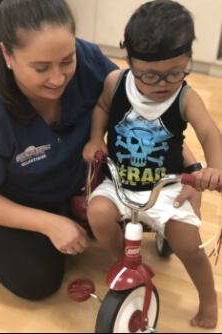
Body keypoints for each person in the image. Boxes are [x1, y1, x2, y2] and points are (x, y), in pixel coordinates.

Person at [0, 0, 200, 303]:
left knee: (137, 198)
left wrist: (191, 171)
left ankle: (73, 210)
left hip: (77, 178)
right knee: (37, 280)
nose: (58, 78)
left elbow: (147, 117)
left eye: (67, 61)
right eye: (41, 68)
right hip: (5, 199)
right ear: (7, 55)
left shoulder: (89, 61)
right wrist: (49, 223)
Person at [83, 0, 222, 329]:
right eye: (149, 75)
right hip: (120, 182)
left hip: (167, 187)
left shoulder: (185, 97)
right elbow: (102, 108)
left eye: (176, 72)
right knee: (98, 215)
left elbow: (209, 132)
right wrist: (95, 138)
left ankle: (210, 297)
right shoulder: (115, 83)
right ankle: (127, 259)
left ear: (188, 58)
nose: (163, 84)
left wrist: (213, 166)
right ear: (129, 60)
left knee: (188, 244)